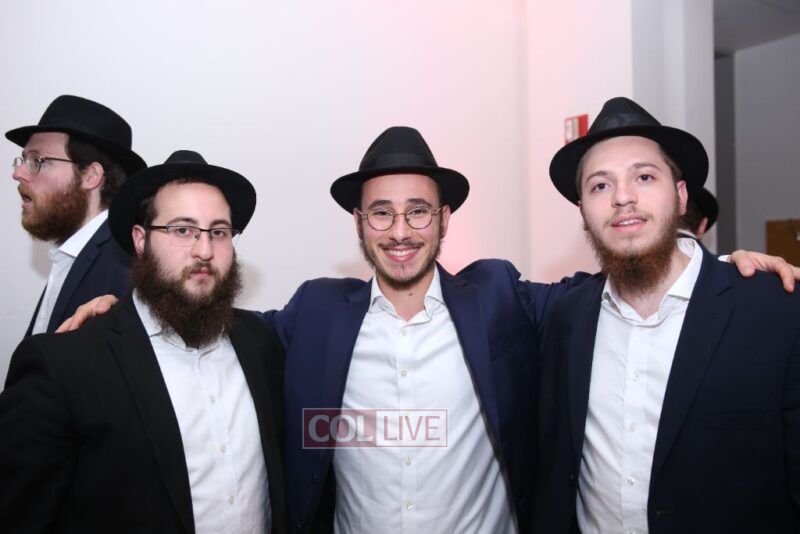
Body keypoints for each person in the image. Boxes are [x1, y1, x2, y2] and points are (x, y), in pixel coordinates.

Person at [59, 128, 800, 534]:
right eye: (381, 212)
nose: (401, 230)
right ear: (359, 223)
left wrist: (722, 266)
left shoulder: (502, 300)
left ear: (444, 220)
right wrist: (128, 313)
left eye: (419, 210)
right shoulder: (317, 313)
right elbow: (226, 325)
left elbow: (619, 283)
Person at [533, 97, 800, 534]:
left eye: (644, 176)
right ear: (583, 211)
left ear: (680, 197)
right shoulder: (565, 316)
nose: (623, 197)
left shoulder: (775, 310)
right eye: (599, 186)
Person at [0, 151, 286, 533]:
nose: (204, 250)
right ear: (140, 239)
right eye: (182, 230)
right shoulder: (64, 366)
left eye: (218, 232)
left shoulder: (261, 342)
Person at [7, 94, 146, 337]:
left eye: (37, 160)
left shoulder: (130, 269)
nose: (18, 173)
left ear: (91, 176)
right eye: (23, 160)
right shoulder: (69, 256)